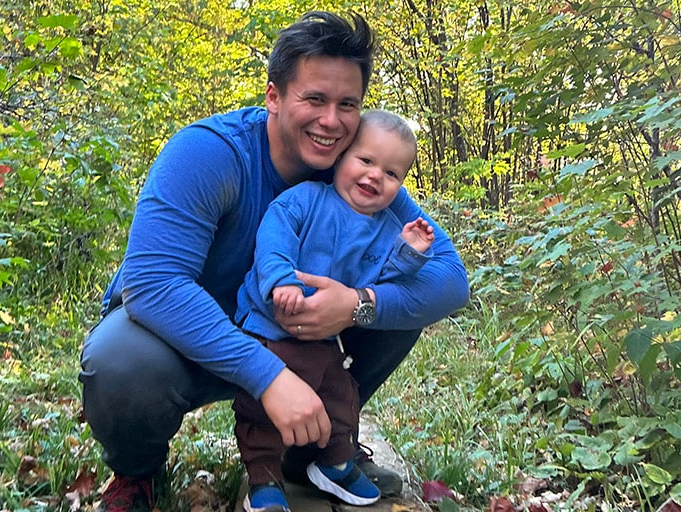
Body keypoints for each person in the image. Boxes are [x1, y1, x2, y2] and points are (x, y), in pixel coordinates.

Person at [78, 11, 470, 512]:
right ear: (274, 97)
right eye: (314, 99)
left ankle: (313, 453)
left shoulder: (358, 172)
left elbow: (450, 280)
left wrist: (357, 305)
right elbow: (152, 284)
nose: (331, 121)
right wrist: (266, 375)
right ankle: (137, 472)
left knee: (398, 300)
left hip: (303, 345)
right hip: (186, 344)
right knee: (120, 360)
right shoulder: (209, 154)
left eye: (347, 104)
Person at [233, 110, 435, 512]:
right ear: (341, 156)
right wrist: (281, 282)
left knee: (342, 398)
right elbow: (273, 238)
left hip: (323, 339)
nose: (376, 176)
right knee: (262, 412)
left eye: (392, 174)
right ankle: (264, 479)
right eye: (366, 160)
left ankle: (334, 462)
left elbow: (381, 279)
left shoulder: (383, 228)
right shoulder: (307, 198)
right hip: (269, 331)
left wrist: (408, 253)